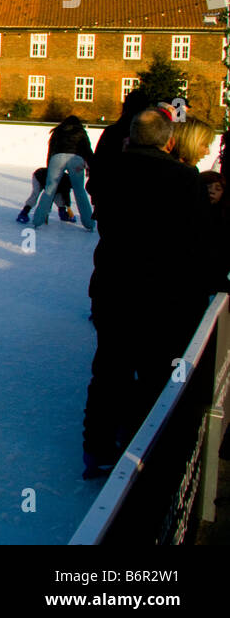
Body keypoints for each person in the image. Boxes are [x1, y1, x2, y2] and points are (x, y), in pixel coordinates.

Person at [82, 108, 218, 478]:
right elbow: (196, 237)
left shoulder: (110, 171)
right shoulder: (182, 178)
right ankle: (137, 443)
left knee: (110, 370)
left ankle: (97, 448)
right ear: (169, 141)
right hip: (161, 291)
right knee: (155, 370)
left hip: (113, 285)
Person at [30, 115, 94, 230]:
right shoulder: (81, 132)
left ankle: (38, 220)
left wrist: (49, 166)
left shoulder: (57, 131)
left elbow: (51, 149)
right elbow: (87, 150)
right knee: (79, 191)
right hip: (76, 159)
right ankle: (89, 223)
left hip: (57, 158)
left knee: (50, 188)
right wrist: (91, 166)